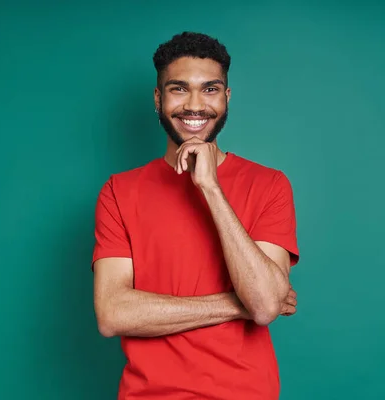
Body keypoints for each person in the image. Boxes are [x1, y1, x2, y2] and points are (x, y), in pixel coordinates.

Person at [92, 31, 300, 400]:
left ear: (226, 98)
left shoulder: (269, 185)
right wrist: (241, 304)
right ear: (158, 99)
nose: (194, 105)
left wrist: (211, 188)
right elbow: (112, 313)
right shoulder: (118, 192)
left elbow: (266, 305)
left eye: (209, 89)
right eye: (178, 89)